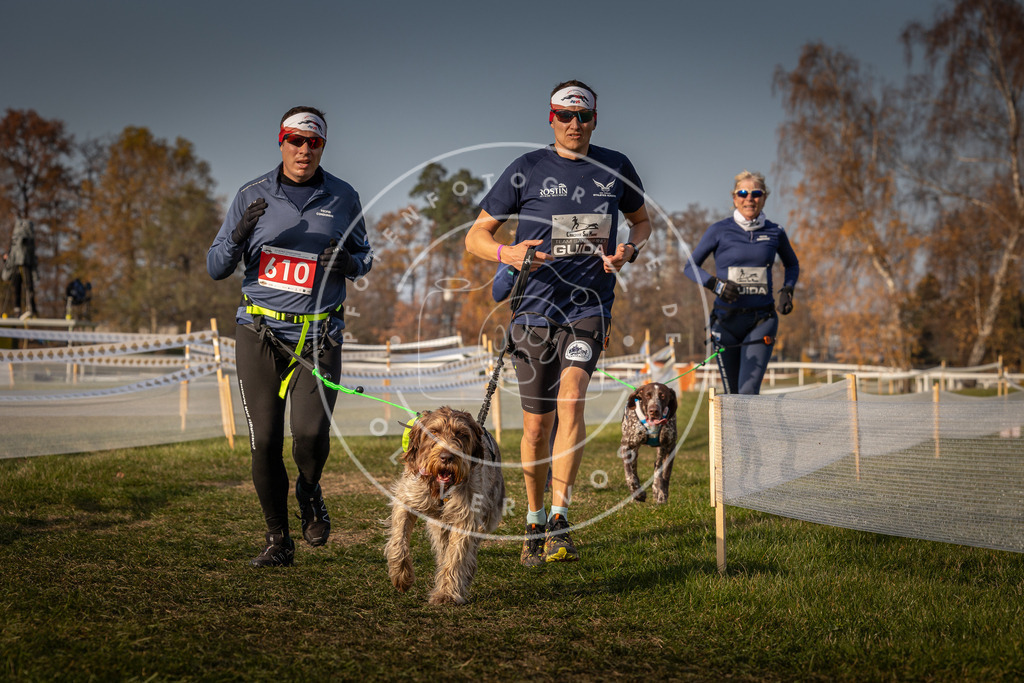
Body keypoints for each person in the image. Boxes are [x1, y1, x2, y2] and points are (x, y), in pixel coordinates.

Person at [466, 80, 651, 566]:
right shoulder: (526, 168)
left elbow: (642, 222)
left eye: (583, 116)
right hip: (534, 309)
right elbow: (476, 236)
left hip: (589, 308)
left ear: (595, 120)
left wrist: (629, 251)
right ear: (551, 118)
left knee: (571, 398)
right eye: (565, 115)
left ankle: (560, 519)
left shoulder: (616, 166)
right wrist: (508, 253)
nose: (574, 124)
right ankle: (533, 518)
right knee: (536, 426)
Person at [207, 106, 373, 567]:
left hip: (319, 336)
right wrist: (239, 234)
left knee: (311, 436)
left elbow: (365, 257)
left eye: (313, 142)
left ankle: (309, 489)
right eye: (295, 141)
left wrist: (349, 263)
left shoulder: (344, 196)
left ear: (323, 147)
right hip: (259, 331)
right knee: (265, 441)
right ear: (281, 142)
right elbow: (216, 266)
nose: (304, 150)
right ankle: (277, 539)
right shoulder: (251, 194)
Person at [683, 171, 799, 395]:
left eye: (756, 193)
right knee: (732, 394)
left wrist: (788, 288)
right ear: (734, 198)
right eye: (743, 193)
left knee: (747, 392)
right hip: (725, 322)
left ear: (764, 198)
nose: (749, 198)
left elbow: (792, 264)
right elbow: (690, 267)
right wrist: (716, 285)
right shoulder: (719, 230)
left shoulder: (775, 232)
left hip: (761, 321)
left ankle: (749, 418)